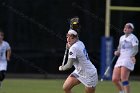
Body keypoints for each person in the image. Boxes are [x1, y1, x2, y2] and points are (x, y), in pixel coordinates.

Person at [112, 23, 139, 93]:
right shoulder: (121, 38)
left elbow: (136, 49)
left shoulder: (133, 38)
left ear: (131, 30)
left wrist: (133, 56)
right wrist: (117, 52)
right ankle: (122, 91)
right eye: (125, 27)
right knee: (114, 79)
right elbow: (119, 48)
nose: (126, 28)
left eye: (128, 27)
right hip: (120, 59)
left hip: (128, 58)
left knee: (124, 78)